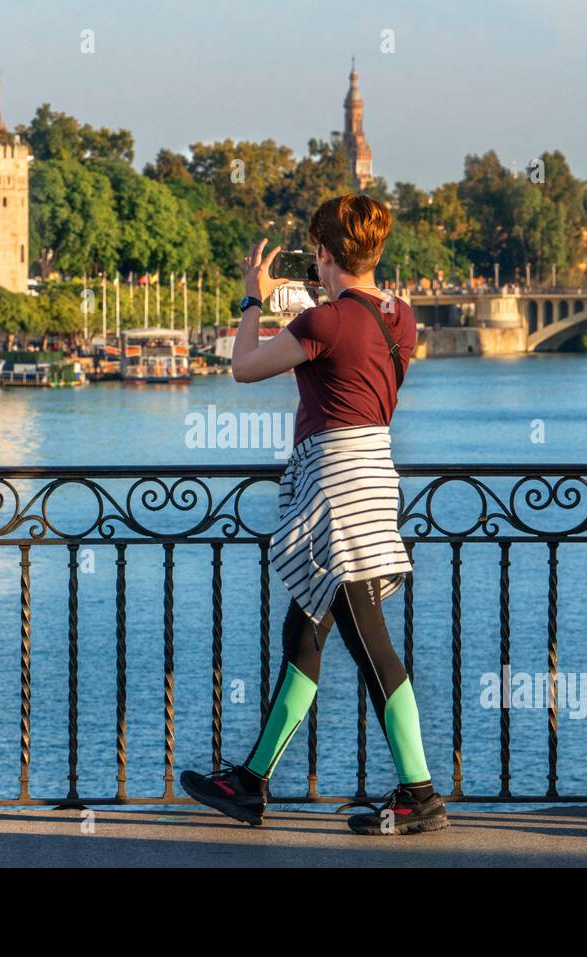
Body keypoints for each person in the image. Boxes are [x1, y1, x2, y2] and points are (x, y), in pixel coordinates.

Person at [179, 195, 447, 836]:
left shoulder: (322, 324)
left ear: (324, 254)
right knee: (305, 635)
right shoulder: (400, 318)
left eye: (318, 255)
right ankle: (251, 781)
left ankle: (420, 793)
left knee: (370, 643)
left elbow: (244, 367)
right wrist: (290, 295)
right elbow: (339, 317)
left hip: (334, 495)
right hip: (374, 483)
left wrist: (251, 299)